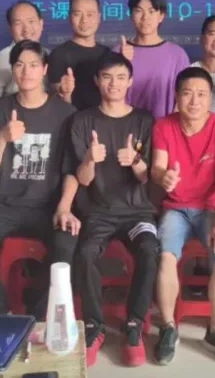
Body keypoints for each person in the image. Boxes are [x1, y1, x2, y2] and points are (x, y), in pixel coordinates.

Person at [0, 40, 78, 317]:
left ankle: (36, 313)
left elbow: (72, 169)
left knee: (69, 244)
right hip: (4, 205)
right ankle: (2, 313)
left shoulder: (66, 114)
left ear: (44, 69)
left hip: (47, 206)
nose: (26, 72)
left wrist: (64, 207)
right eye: (19, 65)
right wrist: (2, 137)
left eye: (33, 65)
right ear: (12, 70)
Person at [67, 52, 159, 368]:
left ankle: (134, 324)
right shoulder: (82, 121)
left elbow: (147, 178)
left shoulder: (145, 120)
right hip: (98, 212)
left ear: (130, 81)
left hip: (138, 212)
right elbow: (82, 179)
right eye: (107, 77)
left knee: (149, 249)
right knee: (85, 253)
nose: (114, 84)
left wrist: (136, 161)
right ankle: (94, 326)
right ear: (97, 81)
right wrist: (90, 159)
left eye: (121, 77)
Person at [151, 67, 215, 366]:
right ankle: (168, 328)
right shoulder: (163, 125)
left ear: (210, 98)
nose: (194, 101)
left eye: (202, 94)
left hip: (211, 210)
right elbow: (157, 168)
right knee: (166, 257)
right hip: (175, 208)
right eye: (188, 93)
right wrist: (164, 177)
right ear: (176, 96)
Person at [115, 0, 190, 119]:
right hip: (124, 126)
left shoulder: (177, 55)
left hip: (164, 128)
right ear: (131, 15)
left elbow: (185, 97)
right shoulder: (118, 52)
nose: (145, 17)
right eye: (139, 11)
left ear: (161, 16)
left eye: (151, 11)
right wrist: (121, 62)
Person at [47, 0, 110, 111]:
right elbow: (54, 96)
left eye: (90, 14)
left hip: (104, 119)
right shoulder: (59, 54)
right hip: (72, 119)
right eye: (77, 14)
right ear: (70, 17)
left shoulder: (107, 53)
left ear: (99, 17)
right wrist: (62, 91)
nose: (84, 20)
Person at [0, 1, 45, 103]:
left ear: (41, 24)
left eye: (31, 21)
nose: (26, 29)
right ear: (10, 28)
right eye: (18, 23)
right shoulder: (1, 59)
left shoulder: (50, 55)